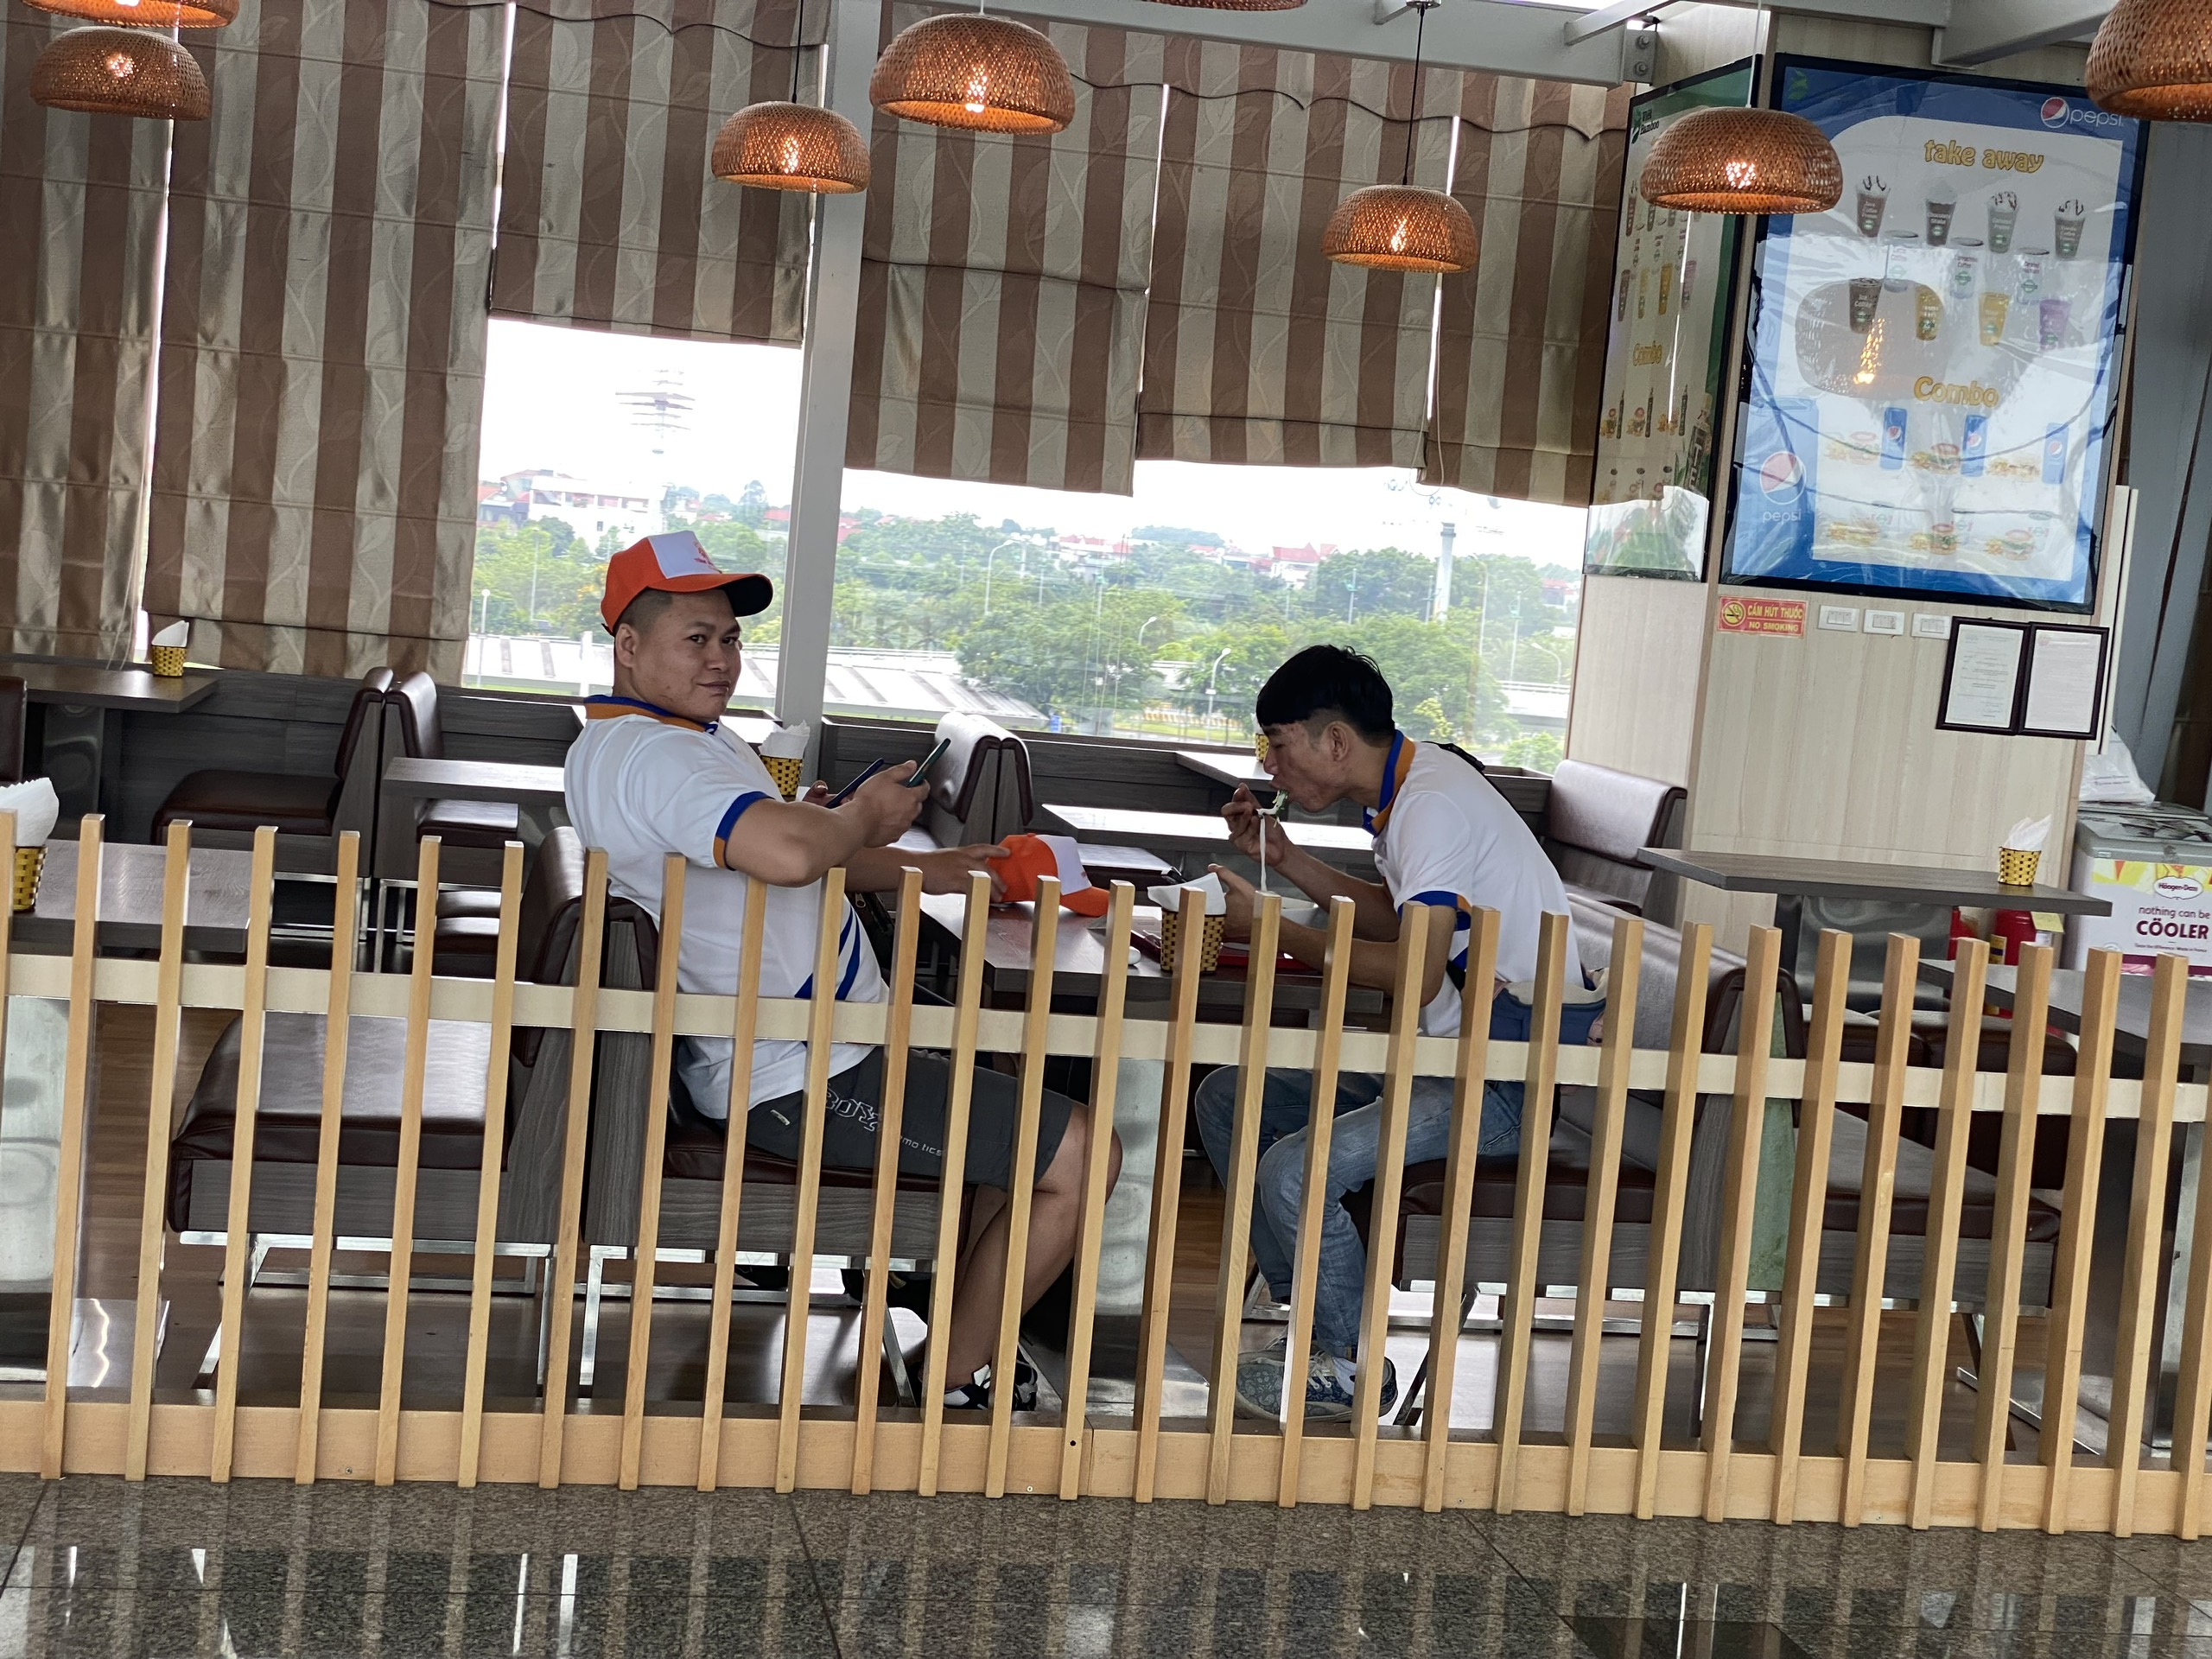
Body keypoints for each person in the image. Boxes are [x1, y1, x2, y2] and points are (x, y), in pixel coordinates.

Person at [564, 531, 1119, 1409]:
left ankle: (962, 1338)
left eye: (730, 638)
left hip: (804, 1047)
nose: (721, 660)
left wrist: (926, 866)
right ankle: (946, 1383)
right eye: (695, 639)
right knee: (1083, 1150)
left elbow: (781, 853)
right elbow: (788, 853)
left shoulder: (660, 740)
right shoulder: (659, 756)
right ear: (628, 646)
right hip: (796, 1072)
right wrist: (857, 817)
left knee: (1011, 1119)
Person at [1192, 645, 1592, 1421]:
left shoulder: (1430, 806)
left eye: (1278, 743)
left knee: (1292, 1170)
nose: (1269, 765)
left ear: (1336, 741)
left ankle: (1346, 1365)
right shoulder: (1413, 789)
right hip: (1439, 1059)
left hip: (1500, 1083)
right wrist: (1286, 859)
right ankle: (1318, 1309)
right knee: (1227, 1098)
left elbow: (1415, 972)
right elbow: (1398, 916)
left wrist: (1271, 925)